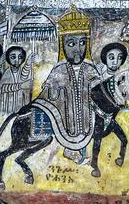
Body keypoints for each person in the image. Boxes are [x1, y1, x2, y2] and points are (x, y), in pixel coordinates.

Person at [33, 9, 100, 164]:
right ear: (63, 46)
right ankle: (70, 150)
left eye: (82, 43)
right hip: (64, 109)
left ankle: (81, 152)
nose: (78, 49)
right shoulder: (59, 68)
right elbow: (49, 92)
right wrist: (55, 89)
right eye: (71, 44)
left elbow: (97, 87)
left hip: (85, 109)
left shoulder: (90, 68)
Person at [0, 46, 33, 115]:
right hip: (9, 107)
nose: (17, 60)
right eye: (13, 57)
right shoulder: (7, 73)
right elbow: (2, 88)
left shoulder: (23, 72)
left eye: (20, 57)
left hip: (21, 106)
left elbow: (23, 78)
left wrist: (28, 64)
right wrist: (20, 86)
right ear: (8, 58)